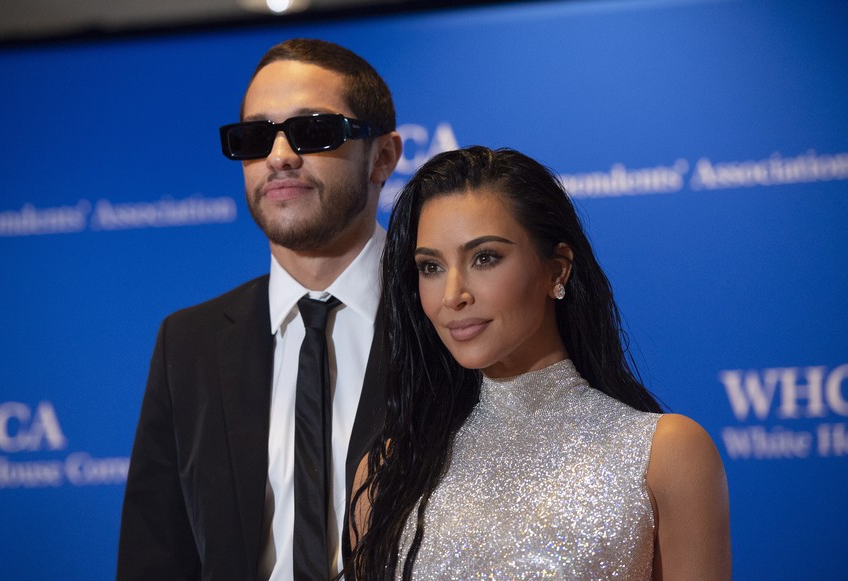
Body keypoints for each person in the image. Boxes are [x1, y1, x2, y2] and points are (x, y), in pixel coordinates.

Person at [348, 147, 731, 580]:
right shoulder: (391, 469)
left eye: (485, 258)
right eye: (431, 266)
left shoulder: (664, 455)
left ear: (557, 271)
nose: (452, 295)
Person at [117, 38, 402, 580]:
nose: (279, 156)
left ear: (382, 156)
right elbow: (155, 557)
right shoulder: (189, 343)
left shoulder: (449, 321)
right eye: (253, 138)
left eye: (313, 130)